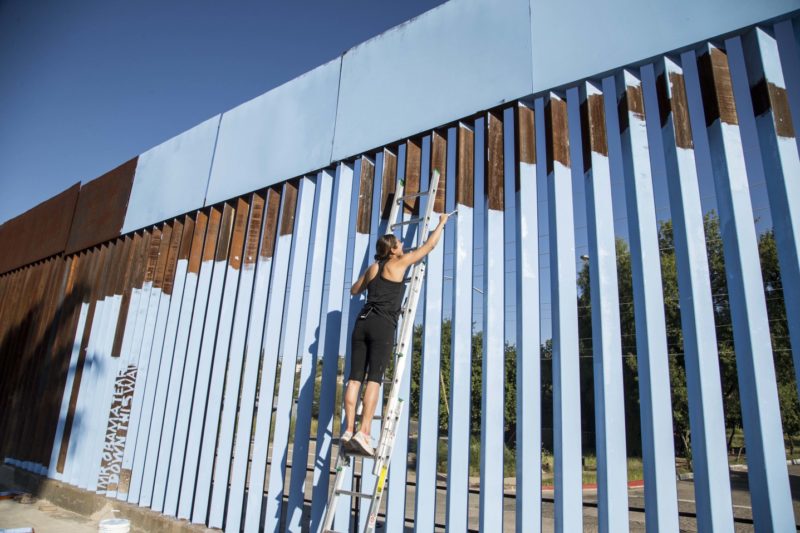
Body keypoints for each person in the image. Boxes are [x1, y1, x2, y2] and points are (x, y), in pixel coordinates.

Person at [342, 213, 450, 456]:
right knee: (374, 379)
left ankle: (349, 429)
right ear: (392, 251)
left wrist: (372, 284)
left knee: (355, 378)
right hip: (381, 325)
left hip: (362, 323)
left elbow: (354, 289)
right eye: (399, 243)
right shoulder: (398, 264)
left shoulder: (373, 267)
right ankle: (365, 432)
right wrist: (441, 222)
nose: (403, 245)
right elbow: (429, 246)